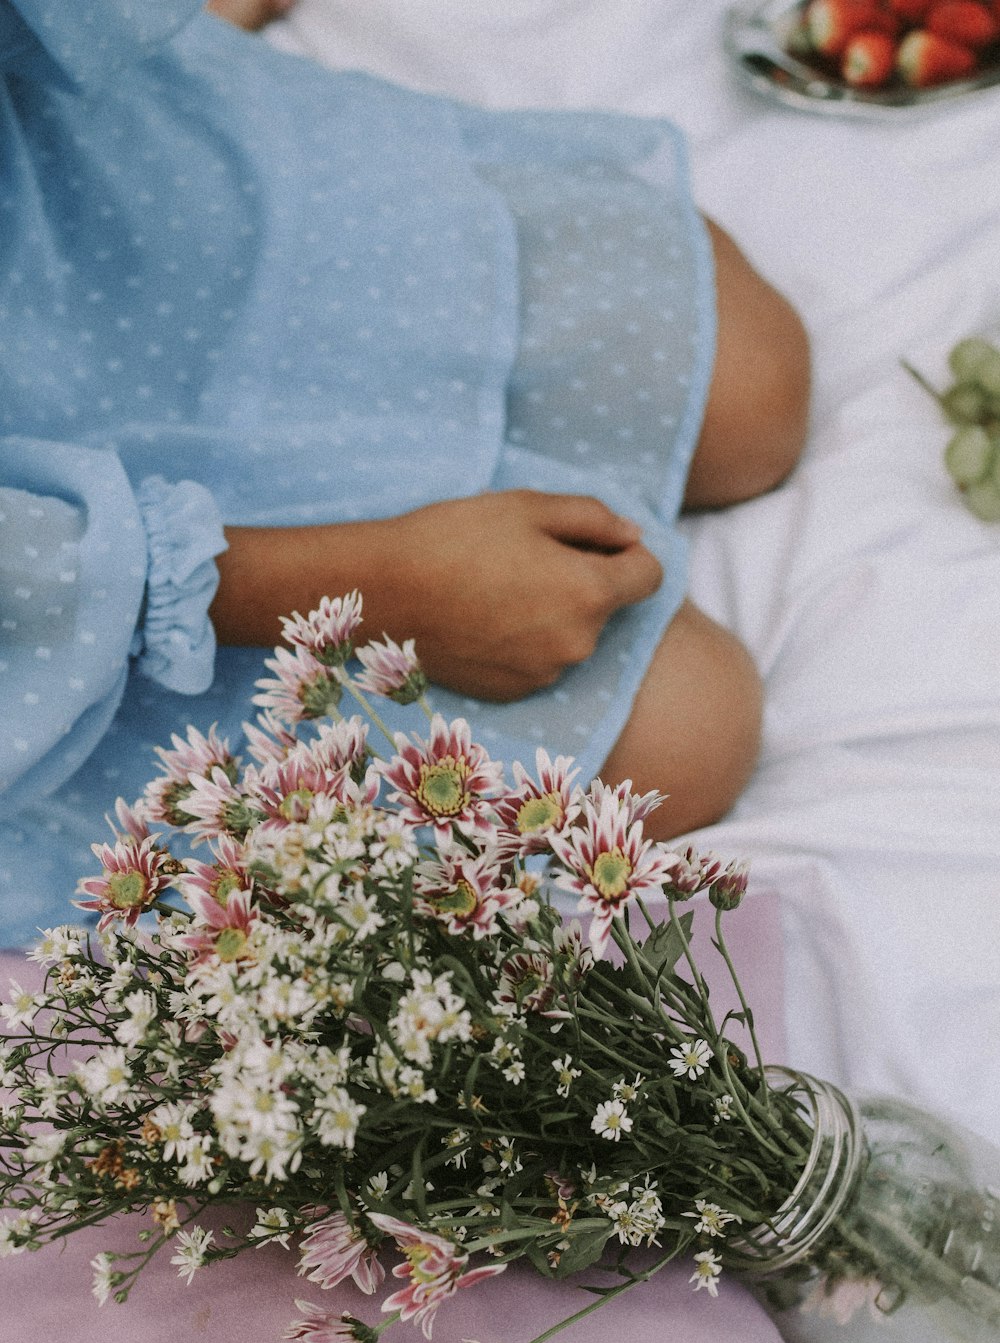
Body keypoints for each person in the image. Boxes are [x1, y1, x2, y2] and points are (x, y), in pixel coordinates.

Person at [0, 0, 809, 948]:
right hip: (40, 617)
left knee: (755, 388)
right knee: (689, 726)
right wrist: (369, 586)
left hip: (71, 216)